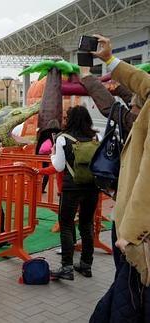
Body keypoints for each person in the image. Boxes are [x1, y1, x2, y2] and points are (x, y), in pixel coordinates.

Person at [89, 34, 150, 322]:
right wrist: (110, 60)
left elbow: (147, 183)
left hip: (139, 239)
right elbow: (140, 84)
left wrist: (131, 237)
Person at [49, 105, 99, 280]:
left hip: (71, 188)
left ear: (70, 120)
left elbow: (59, 166)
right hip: (92, 187)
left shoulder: (63, 138)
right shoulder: (95, 137)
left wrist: (52, 154)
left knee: (67, 225)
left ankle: (67, 267)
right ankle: (86, 265)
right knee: (87, 224)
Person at [35, 120, 61, 193]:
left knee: (40, 170)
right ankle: (42, 188)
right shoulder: (59, 132)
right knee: (48, 170)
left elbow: (39, 143)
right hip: (51, 154)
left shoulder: (44, 132)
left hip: (41, 154)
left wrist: (36, 154)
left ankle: (37, 187)